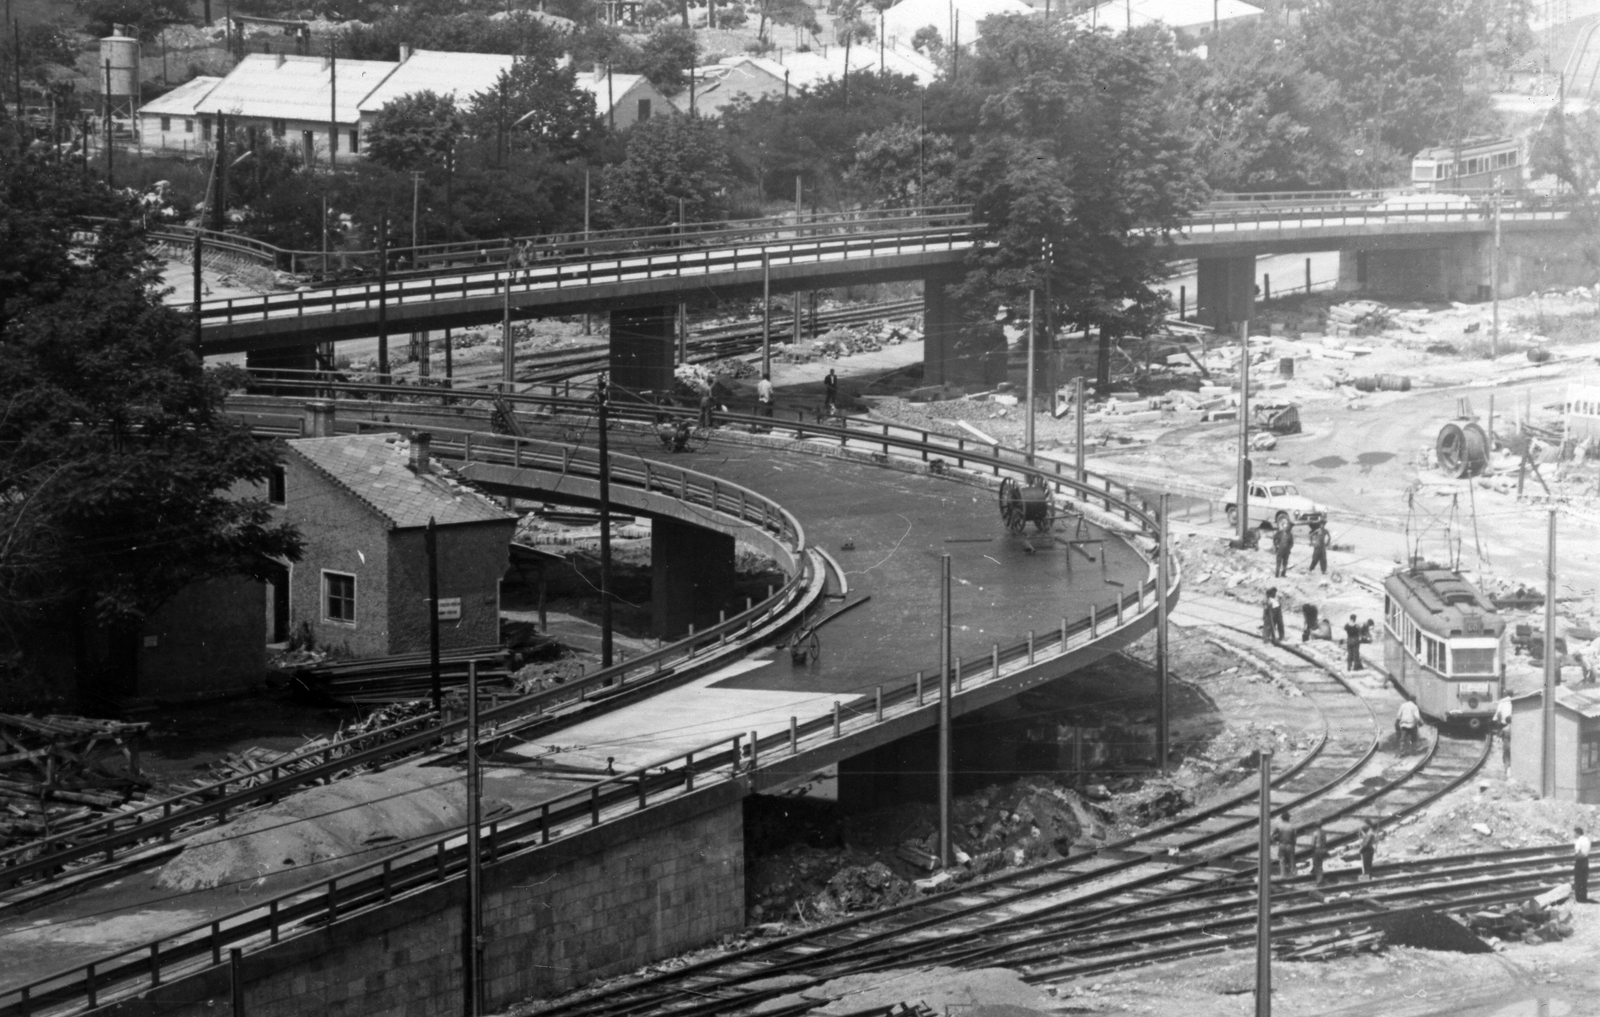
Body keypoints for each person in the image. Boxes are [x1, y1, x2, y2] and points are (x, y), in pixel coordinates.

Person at [1493, 693, 1514, 770]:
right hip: (1512, 741)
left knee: (1506, 754)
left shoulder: (1502, 701)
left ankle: (1506, 768)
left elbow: (1498, 713)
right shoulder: (1514, 728)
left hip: (1503, 724)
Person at [1279, 808, 1297, 878]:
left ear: (1282, 818)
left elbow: (1272, 836)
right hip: (1290, 845)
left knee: (1282, 860)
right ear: (1288, 818)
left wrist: (1277, 841)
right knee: (1291, 860)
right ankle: (1293, 875)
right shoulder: (1292, 827)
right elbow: (1295, 838)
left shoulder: (1278, 826)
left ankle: (1283, 876)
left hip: (1282, 845)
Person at [1310, 820, 1329, 886]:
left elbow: (1313, 844)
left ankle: (1319, 881)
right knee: (1320, 865)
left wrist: (1312, 851)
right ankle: (1320, 879)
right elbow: (1325, 842)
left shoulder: (1315, 833)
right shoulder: (1324, 832)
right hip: (1323, 850)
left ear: (1315, 826)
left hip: (1317, 850)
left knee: (1317, 866)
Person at [1576, 826, 1591, 903]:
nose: (1574, 835)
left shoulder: (1579, 841)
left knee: (1578, 879)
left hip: (1580, 861)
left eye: (1574, 833)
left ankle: (1579, 898)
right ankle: (1584, 897)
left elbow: (1579, 852)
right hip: (1586, 860)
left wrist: (1577, 857)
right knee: (1584, 879)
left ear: (1577, 833)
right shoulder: (1587, 840)